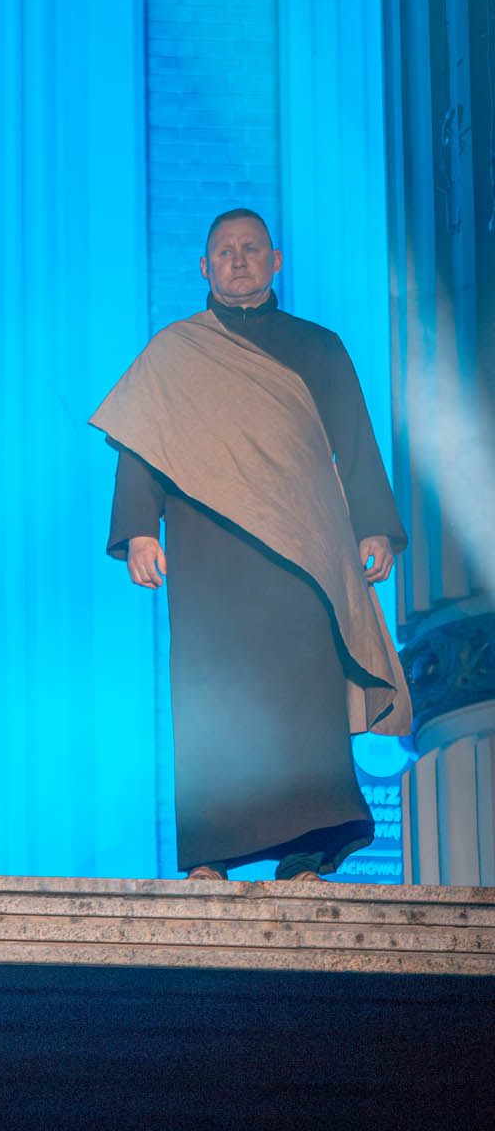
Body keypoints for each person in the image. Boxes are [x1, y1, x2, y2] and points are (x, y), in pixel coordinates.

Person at [92, 209, 411, 882]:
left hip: (302, 552)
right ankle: (210, 853)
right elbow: (139, 442)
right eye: (224, 251)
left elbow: (353, 441)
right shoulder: (174, 352)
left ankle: (307, 852)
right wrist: (141, 529)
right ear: (204, 268)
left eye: (251, 248)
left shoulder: (319, 346)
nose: (237, 260)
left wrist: (375, 526)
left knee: (305, 695)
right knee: (213, 698)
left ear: (276, 260)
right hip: (209, 554)